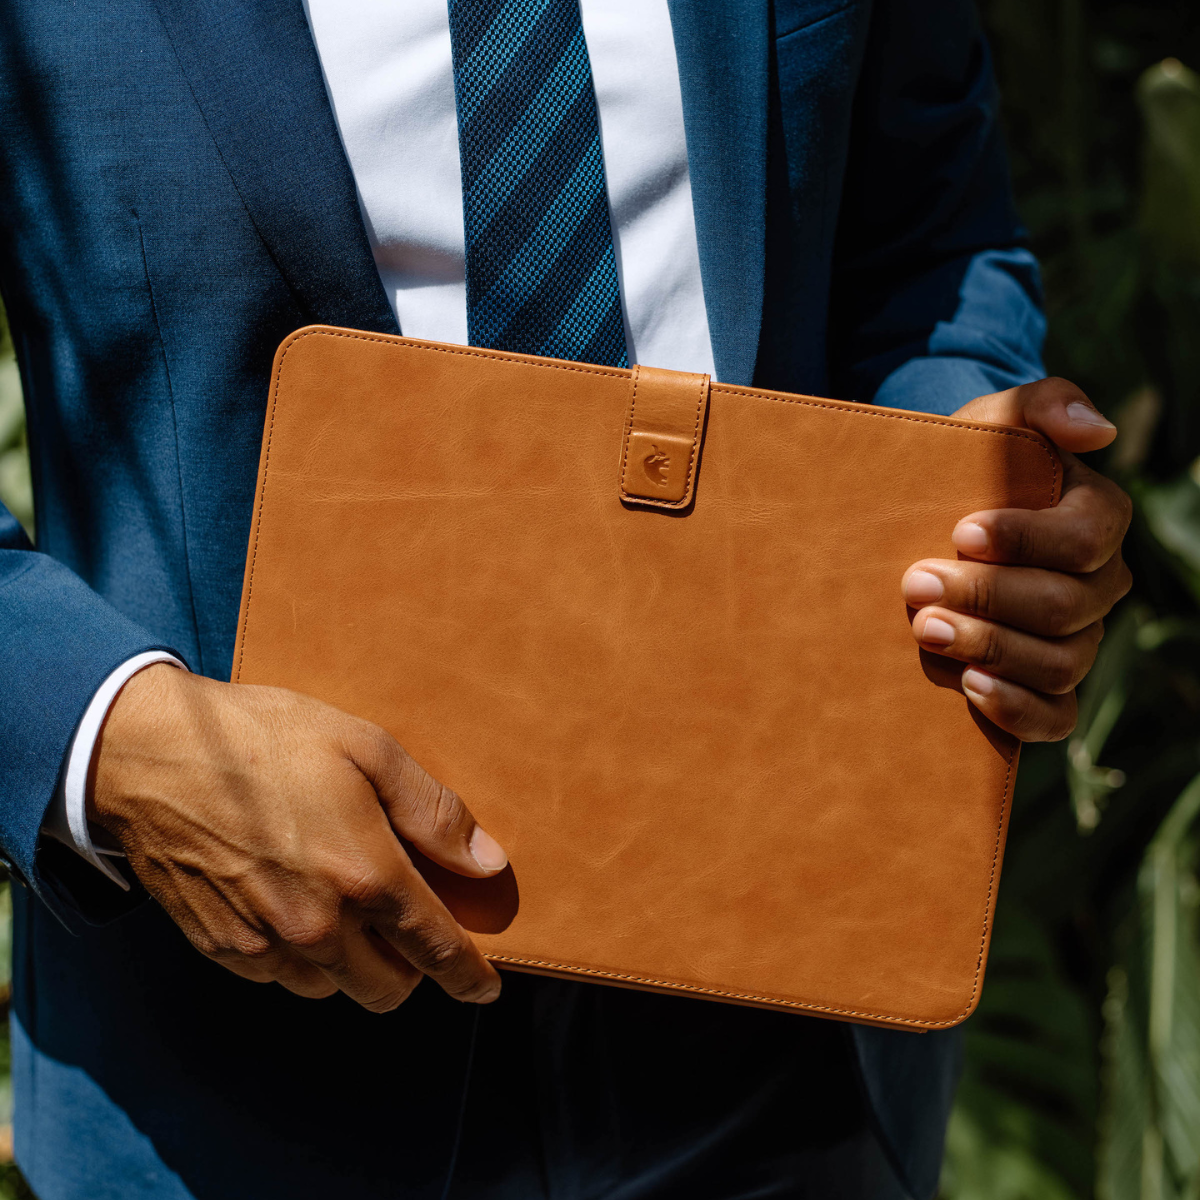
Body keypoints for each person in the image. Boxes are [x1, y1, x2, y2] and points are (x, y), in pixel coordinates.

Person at [0, 1, 1132, 1197]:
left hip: (787, 1048)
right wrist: (108, 741)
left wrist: (966, 498)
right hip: (240, 1075)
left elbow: (925, 248)